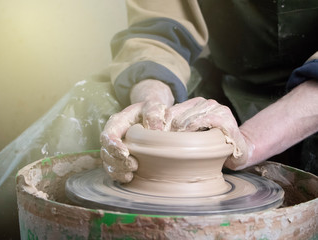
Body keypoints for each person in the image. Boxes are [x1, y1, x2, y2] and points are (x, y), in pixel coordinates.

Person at [100, 0, 318, 183]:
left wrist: (250, 141)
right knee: (92, 105)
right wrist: (152, 99)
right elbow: (159, 27)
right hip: (228, 80)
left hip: (311, 94)